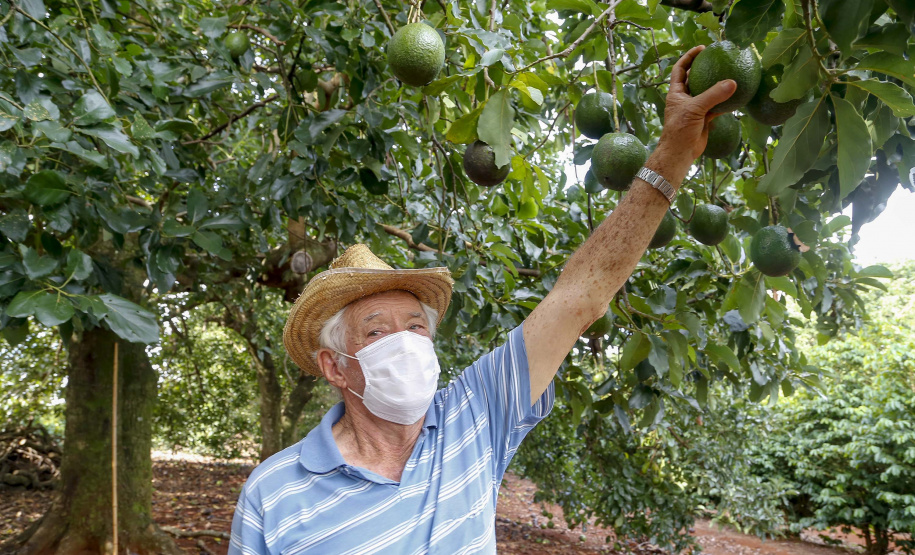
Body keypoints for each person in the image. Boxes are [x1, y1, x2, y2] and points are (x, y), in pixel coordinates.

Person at [228, 45, 737, 554]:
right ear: (334, 366)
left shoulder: (474, 417)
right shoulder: (273, 494)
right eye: (378, 331)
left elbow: (578, 298)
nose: (404, 343)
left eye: (417, 327)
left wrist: (671, 153)